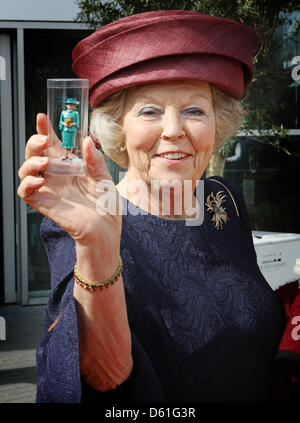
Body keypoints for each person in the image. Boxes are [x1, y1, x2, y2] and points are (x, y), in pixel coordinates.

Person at [17, 10, 299, 403]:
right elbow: (103, 375)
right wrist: (99, 243)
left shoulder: (224, 201)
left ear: (219, 123)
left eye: (194, 110)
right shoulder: (83, 220)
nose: (173, 129)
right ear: (119, 128)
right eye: (149, 111)